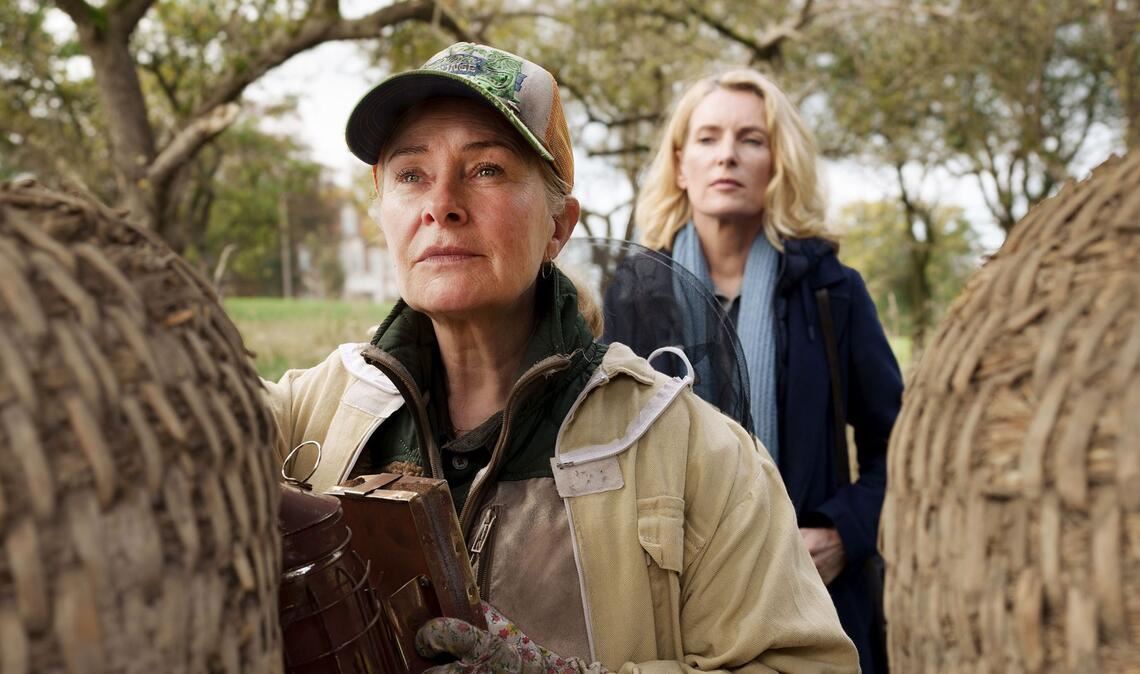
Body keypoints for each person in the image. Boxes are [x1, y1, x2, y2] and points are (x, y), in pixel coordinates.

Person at [264, 42, 858, 672]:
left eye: (486, 168)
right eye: (411, 174)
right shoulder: (305, 411)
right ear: (381, 214)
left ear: (559, 226)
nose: (442, 203)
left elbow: (802, 663)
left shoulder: (699, 456)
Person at [611, 69, 904, 673]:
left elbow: (901, 447)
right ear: (681, 162)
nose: (727, 156)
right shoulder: (633, 293)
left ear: (778, 161)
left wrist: (844, 533)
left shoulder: (833, 292)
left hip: (811, 599)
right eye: (708, 138)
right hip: (670, 603)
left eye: (751, 139)